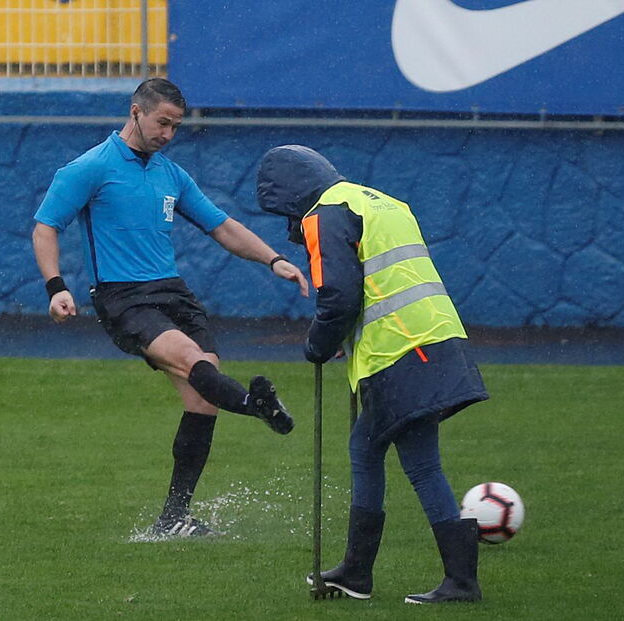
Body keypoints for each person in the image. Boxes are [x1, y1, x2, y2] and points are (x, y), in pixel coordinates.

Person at [31, 78, 309, 538]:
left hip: (173, 293)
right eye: (163, 122)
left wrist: (275, 259)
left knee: (203, 396)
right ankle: (253, 404)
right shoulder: (89, 168)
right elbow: (46, 227)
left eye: (176, 126)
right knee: (192, 361)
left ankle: (174, 517)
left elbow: (222, 227)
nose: (168, 134)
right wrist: (56, 287)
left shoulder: (171, 174)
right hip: (123, 298)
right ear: (136, 112)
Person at [256, 145, 490, 604]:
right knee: (367, 446)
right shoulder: (378, 201)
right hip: (434, 338)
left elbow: (339, 296)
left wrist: (319, 345)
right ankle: (357, 572)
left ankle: (458, 582)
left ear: (290, 193)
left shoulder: (325, 213)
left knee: (420, 464)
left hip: (401, 349)